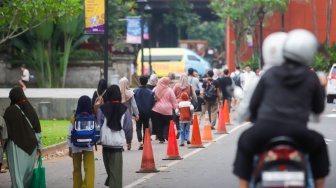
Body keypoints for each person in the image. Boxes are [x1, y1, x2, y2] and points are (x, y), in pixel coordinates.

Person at [233, 29, 330, 188]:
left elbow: (254, 105)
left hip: (264, 130)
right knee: (319, 144)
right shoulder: (311, 77)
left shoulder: (270, 73)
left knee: (244, 141)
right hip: (298, 133)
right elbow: (318, 108)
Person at [236, 32, 288, 123]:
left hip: (267, 123)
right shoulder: (306, 78)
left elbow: (244, 111)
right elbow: (317, 110)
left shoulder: (260, 80)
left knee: (245, 137)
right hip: (296, 126)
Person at [3, 86, 42, 187]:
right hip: (32, 148)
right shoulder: (31, 109)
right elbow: (38, 130)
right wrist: (40, 147)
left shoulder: (9, 111)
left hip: (16, 148)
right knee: (26, 178)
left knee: (17, 178)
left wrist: (2, 147)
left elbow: (5, 133)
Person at [96, 85, 133, 188]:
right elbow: (128, 127)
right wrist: (129, 140)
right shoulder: (124, 110)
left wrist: (97, 139)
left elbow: (97, 126)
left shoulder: (102, 110)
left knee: (110, 171)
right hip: (117, 146)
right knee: (116, 172)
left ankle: (112, 183)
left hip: (106, 145)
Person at [67, 95, 95, 188]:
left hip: (76, 145)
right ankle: (88, 186)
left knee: (77, 169)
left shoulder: (73, 118)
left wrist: (70, 147)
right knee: (89, 168)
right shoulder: (92, 117)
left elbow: (69, 134)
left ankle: (77, 186)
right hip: (89, 145)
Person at [151, 77, 177, 143]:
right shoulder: (169, 90)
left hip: (156, 109)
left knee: (159, 124)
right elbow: (173, 100)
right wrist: (176, 108)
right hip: (167, 110)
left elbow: (151, 97)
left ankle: (161, 138)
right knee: (168, 123)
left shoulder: (155, 89)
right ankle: (166, 134)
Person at [133, 76, 156, 150]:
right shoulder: (150, 92)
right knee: (146, 127)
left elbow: (133, 102)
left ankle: (140, 142)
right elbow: (153, 102)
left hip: (138, 113)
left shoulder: (135, 91)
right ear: (147, 81)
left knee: (138, 127)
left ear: (139, 81)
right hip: (147, 112)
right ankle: (145, 141)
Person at [173, 74, 197, 138]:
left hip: (177, 104)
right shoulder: (190, 86)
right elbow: (194, 95)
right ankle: (186, 132)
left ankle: (178, 129)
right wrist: (197, 101)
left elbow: (173, 94)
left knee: (177, 117)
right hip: (187, 104)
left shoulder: (176, 86)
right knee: (186, 117)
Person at [119, 77, 139, 150]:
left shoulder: (118, 93)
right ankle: (129, 143)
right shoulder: (130, 93)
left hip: (119, 115)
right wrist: (136, 114)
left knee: (120, 129)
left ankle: (120, 145)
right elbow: (134, 104)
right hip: (128, 115)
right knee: (129, 129)